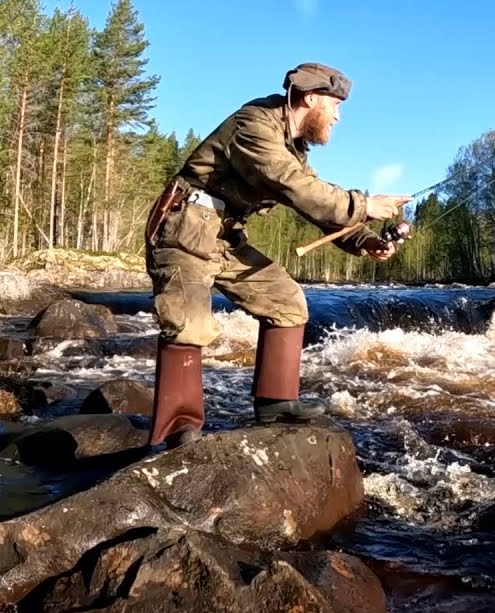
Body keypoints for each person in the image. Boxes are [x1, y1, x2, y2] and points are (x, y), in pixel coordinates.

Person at [142, 62, 410, 448]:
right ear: (311, 98)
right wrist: (365, 204)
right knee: (189, 323)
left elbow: (311, 197)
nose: (338, 116)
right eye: (335, 106)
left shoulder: (292, 147)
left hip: (224, 235)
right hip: (184, 227)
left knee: (287, 302)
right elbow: (295, 187)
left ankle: (276, 404)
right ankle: (175, 431)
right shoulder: (255, 126)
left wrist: (364, 240)